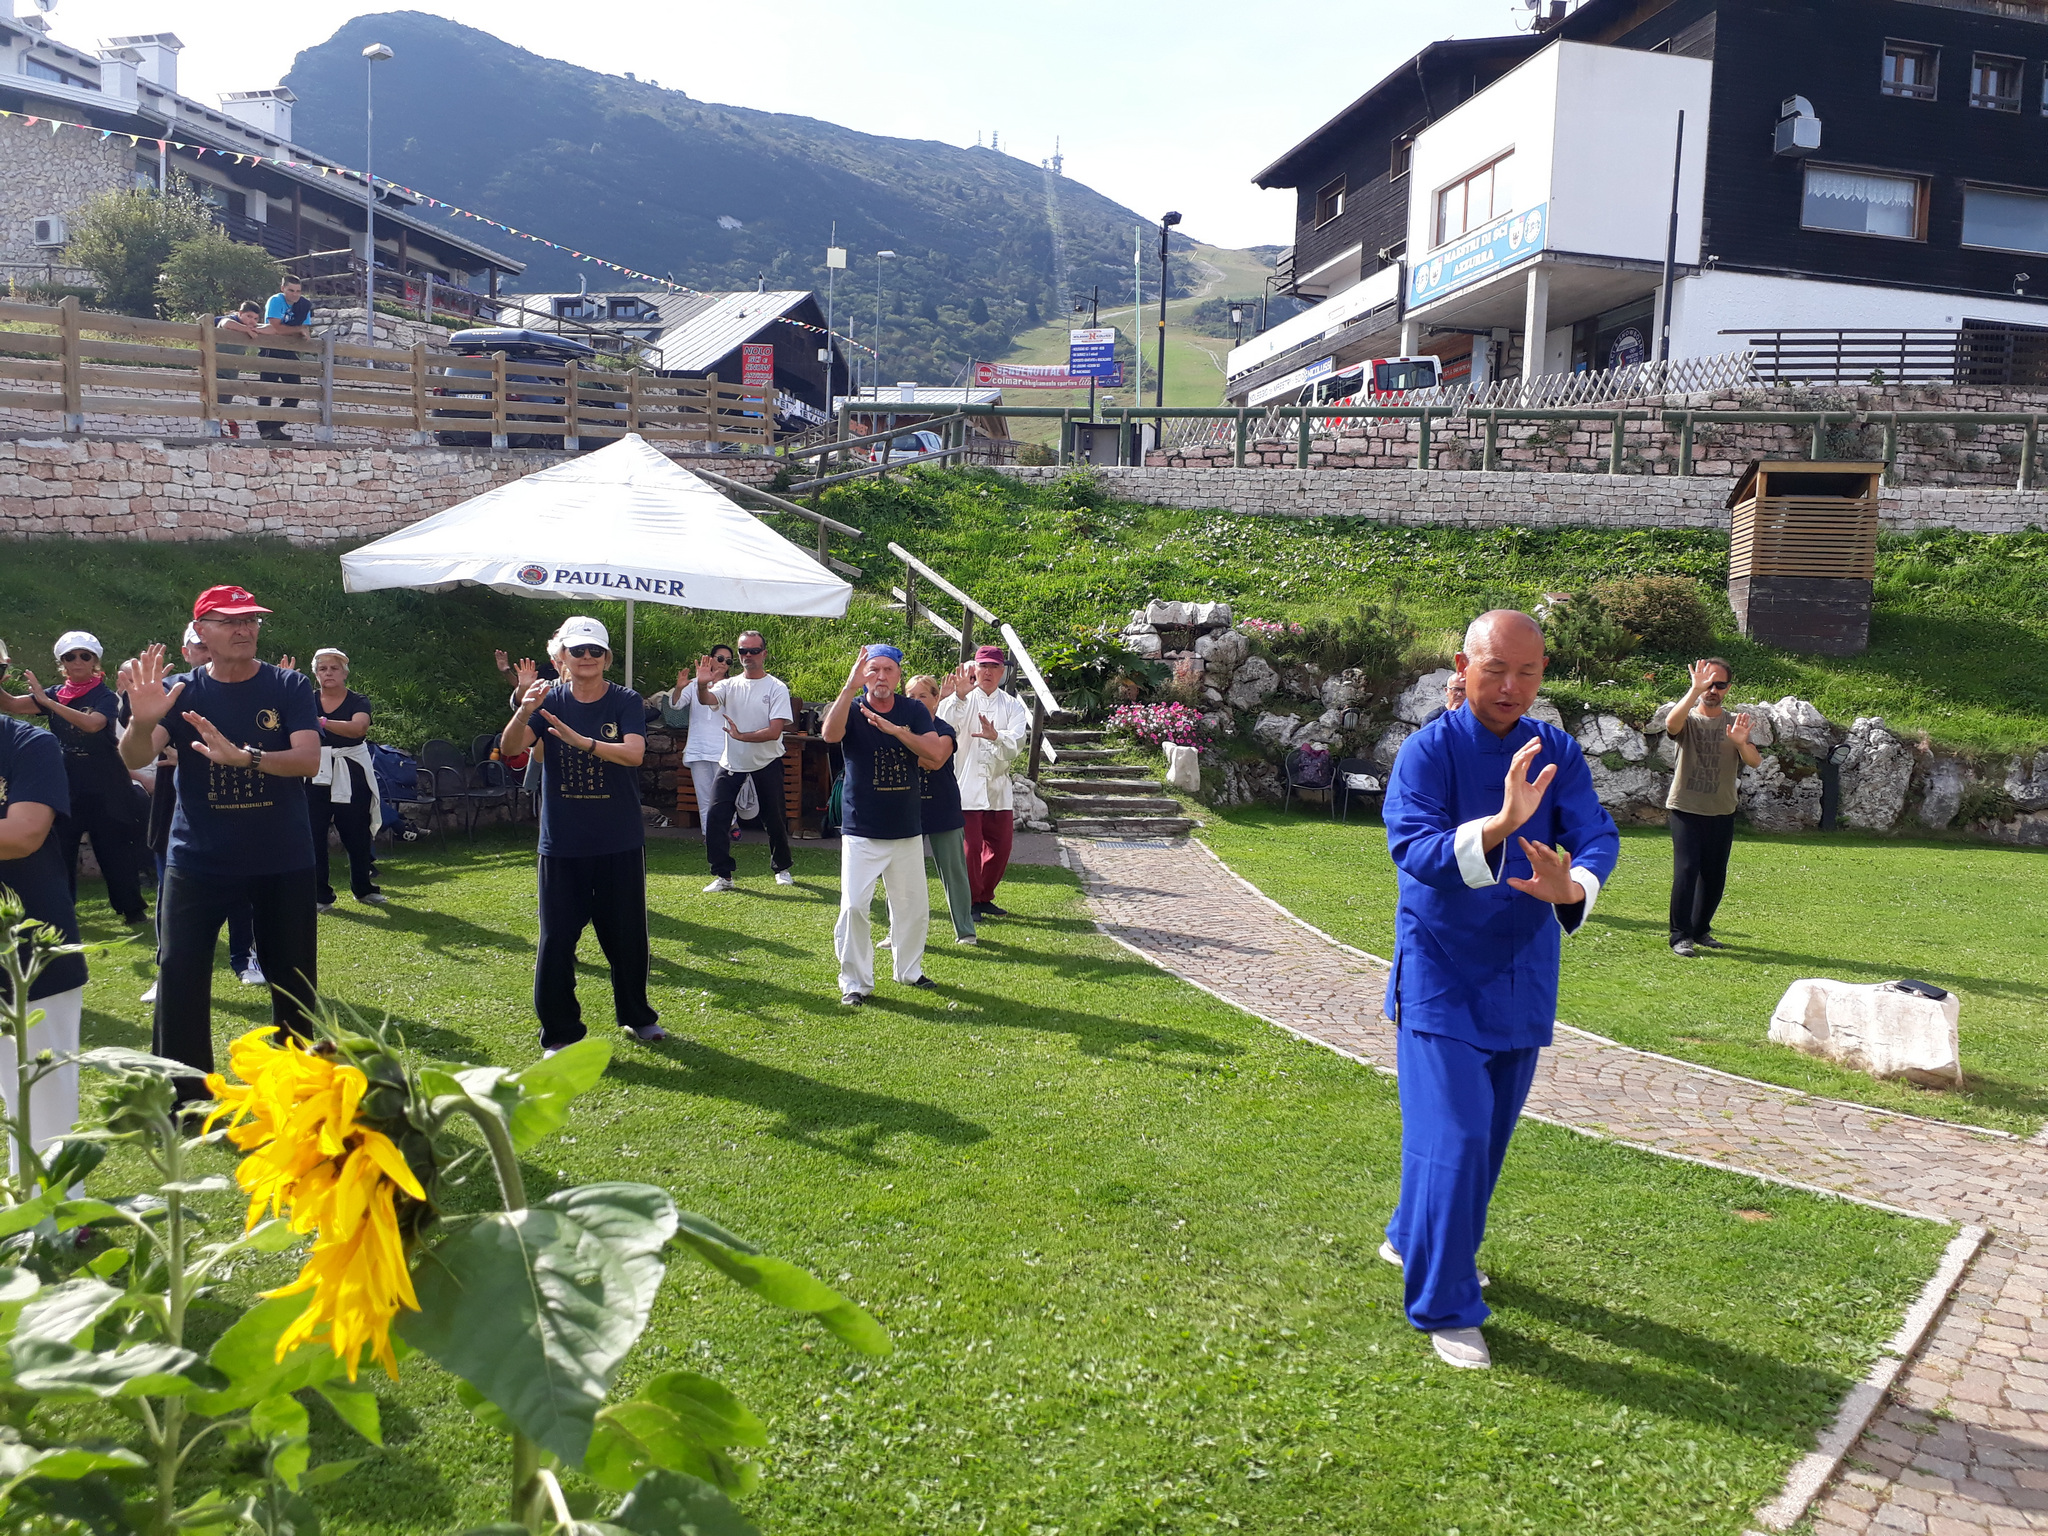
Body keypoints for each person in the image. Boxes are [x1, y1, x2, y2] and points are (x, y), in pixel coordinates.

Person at [1379, 610, 1620, 1370]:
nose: (1511, 686)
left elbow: (1597, 835)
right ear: (1463, 666)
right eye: (1495, 670)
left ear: (1543, 673)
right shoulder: (1428, 752)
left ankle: (1412, 1237)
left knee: (1484, 1142)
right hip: (1441, 976)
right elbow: (1413, 848)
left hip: (1522, 974)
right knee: (1452, 1140)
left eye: (1527, 672)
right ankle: (1447, 1305)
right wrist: (1501, 824)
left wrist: (1571, 886)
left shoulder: (1557, 751)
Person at [117, 586, 322, 1096]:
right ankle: (187, 1097)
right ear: (202, 632)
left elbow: (308, 760)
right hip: (198, 858)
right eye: (229, 621)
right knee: (180, 973)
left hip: (281, 855)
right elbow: (134, 756)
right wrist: (142, 721)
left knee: (293, 979)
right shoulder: (180, 692)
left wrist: (246, 758)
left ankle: (296, 1089)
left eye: (251, 619)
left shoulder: (288, 685)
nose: (244, 629)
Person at [500, 616, 664, 1053]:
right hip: (562, 843)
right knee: (557, 939)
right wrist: (524, 710)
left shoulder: (624, 700)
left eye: (595, 651)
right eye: (578, 650)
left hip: (618, 839)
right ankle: (560, 1033)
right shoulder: (548, 700)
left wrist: (582, 742)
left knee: (627, 936)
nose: (587, 657)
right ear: (563, 658)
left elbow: (634, 753)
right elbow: (511, 748)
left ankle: (637, 1016)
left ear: (607, 659)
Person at [128, 626, 263, 1002]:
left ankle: (244, 958)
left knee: (241, 888)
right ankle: (168, 969)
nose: (206, 653)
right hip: (176, 807)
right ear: (186, 652)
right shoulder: (172, 693)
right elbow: (140, 749)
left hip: (232, 805)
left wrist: (188, 754)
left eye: (210, 645)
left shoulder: (244, 692)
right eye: (199, 647)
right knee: (171, 895)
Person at [821, 645, 945, 1005]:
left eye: (888, 670)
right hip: (862, 828)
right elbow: (830, 735)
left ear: (898, 676)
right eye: (873, 669)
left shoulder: (913, 710)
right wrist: (848, 688)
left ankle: (909, 971)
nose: (880, 676)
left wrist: (896, 731)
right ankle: (855, 983)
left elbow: (934, 753)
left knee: (912, 908)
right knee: (854, 907)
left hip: (905, 828)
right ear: (863, 675)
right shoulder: (851, 707)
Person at [0, 631, 149, 926]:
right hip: (67, 779)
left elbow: (93, 724)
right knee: (61, 847)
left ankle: (132, 910)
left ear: (95, 662)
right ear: (62, 663)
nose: (77, 661)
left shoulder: (104, 696)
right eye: (69, 657)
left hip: (106, 780)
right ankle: (62, 908)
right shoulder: (55, 693)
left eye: (84, 656)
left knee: (114, 847)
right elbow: (13, 705)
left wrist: (49, 703)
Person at [0, 712, 88, 1164]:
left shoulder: (27, 743)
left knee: (43, 1113)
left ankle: (52, 1207)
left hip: (28, 950)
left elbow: (24, 833)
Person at [1662, 657, 1761, 958]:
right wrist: (1694, 690)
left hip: (1722, 810)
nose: (1712, 690)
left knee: (1714, 875)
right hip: (1686, 808)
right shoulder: (1689, 718)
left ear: (1728, 688)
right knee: (1687, 870)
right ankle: (1680, 936)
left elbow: (1755, 761)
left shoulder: (1734, 722)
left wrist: (1741, 743)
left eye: (1719, 685)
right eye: (1707, 684)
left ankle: (1700, 930)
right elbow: (1671, 724)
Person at [936, 645, 1031, 920]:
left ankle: (984, 896)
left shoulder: (1012, 705)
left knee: (1001, 848)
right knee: (971, 848)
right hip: (965, 786)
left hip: (998, 789)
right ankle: (970, 900)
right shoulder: (961, 698)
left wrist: (996, 736)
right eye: (983, 666)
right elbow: (942, 724)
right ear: (974, 669)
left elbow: (1018, 742)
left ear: (1003, 672)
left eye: (994, 667)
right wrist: (958, 697)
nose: (988, 672)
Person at [695, 631, 794, 893]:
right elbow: (707, 699)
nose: (747, 656)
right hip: (732, 762)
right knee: (716, 818)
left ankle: (782, 868)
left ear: (764, 653)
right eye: (742, 651)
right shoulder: (729, 685)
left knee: (774, 819)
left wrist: (742, 736)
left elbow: (774, 731)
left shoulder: (776, 687)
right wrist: (702, 685)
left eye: (753, 651)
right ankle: (723, 875)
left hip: (767, 760)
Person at [306, 649, 384, 912]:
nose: (328, 673)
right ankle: (320, 894)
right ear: (316, 674)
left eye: (334, 668)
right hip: (315, 769)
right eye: (322, 669)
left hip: (351, 769)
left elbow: (358, 728)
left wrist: (321, 722)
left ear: (344, 673)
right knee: (314, 834)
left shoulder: (358, 700)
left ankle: (364, 888)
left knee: (356, 832)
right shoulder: (307, 699)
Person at [905, 674, 975, 945]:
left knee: (953, 872)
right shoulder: (900, 727)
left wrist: (901, 746)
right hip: (907, 808)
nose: (916, 701)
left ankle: (966, 931)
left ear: (936, 699)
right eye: (911, 696)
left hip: (943, 807)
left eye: (922, 696)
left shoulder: (944, 730)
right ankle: (896, 931)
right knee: (901, 873)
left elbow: (935, 760)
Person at [649, 643, 735, 837]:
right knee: (704, 798)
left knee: (723, 795)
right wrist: (679, 688)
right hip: (698, 748)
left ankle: (729, 825)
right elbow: (676, 705)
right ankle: (709, 835)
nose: (724, 663)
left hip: (724, 749)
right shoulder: (694, 683)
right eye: (720, 658)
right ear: (710, 659)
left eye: (728, 661)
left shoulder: (732, 686)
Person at [254, 275, 313, 441]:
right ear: (283, 289)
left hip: (289, 350)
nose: (295, 294)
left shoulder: (304, 305)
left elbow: (304, 330)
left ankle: (274, 425)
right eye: (291, 290)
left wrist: (297, 330)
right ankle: (265, 429)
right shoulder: (275, 300)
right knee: (267, 390)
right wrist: (297, 330)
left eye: (298, 291)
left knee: (295, 390)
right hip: (271, 348)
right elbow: (276, 328)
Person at [215, 299, 263, 438]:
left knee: (225, 400)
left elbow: (271, 328)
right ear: (240, 313)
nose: (252, 321)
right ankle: (220, 428)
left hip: (232, 371)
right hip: (216, 367)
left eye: (255, 318)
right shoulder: (232, 320)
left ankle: (227, 424)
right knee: (217, 399)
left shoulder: (253, 328)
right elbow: (226, 323)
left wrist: (256, 329)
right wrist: (247, 330)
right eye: (249, 316)